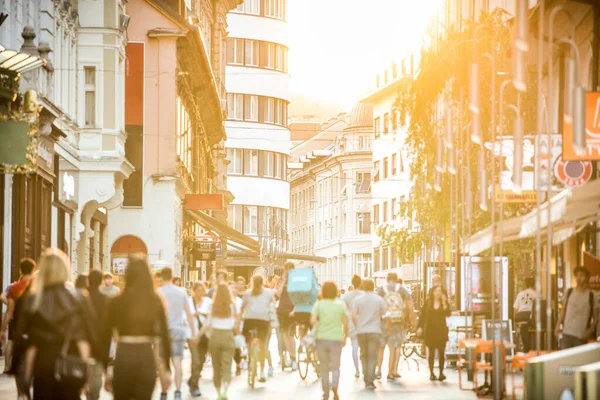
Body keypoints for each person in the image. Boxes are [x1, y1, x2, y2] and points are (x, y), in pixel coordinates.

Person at [15, 249, 98, 400]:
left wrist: (23, 377)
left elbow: (27, 343)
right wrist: (88, 375)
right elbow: (85, 340)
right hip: (71, 365)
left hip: (43, 366)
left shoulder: (33, 300)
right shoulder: (79, 298)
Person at [103, 255, 172, 400]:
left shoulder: (116, 302)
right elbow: (165, 335)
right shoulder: (155, 300)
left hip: (123, 356)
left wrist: (106, 369)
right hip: (145, 356)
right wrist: (166, 369)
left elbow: (104, 336)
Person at [158, 267, 197, 400]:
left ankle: (164, 393)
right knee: (177, 361)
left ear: (162, 277)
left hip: (163, 332)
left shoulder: (158, 292)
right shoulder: (181, 292)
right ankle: (178, 391)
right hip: (179, 330)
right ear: (171, 276)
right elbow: (188, 313)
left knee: (163, 363)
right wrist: (193, 331)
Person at [0, 258, 36, 396]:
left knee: (19, 357)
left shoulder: (14, 288)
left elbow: (9, 312)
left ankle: (21, 392)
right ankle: (31, 382)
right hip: (36, 328)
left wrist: (2, 329)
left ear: (20, 270)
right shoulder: (38, 286)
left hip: (19, 327)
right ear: (33, 270)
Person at [199, 283, 239, 400]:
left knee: (216, 366)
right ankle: (225, 391)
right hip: (228, 335)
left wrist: (198, 335)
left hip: (215, 336)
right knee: (227, 365)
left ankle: (218, 392)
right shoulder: (232, 305)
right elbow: (236, 323)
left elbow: (207, 323)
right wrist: (239, 334)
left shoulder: (212, 305)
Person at [311, 281, 348, 400]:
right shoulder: (340, 304)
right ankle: (335, 387)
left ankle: (325, 392)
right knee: (336, 365)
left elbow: (312, 321)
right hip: (336, 338)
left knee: (324, 366)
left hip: (321, 338)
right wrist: (345, 336)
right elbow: (345, 322)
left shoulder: (319, 305)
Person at [376, 272, 414, 380]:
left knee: (381, 347)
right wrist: (410, 320)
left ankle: (378, 370)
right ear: (396, 279)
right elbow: (409, 307)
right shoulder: (402, 290)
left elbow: (377, 306)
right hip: (397, 322)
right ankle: (391, 372)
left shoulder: (381, 290)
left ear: (387, 279)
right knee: (394, 347)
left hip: (383, 322)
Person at [352, 279, 386, 390]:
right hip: (375, 331)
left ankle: (365, 375)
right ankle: (370, 380)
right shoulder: (379, 299)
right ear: (373, 286)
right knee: (372, 356)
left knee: (364, 354)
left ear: (363, 286)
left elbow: (353, 316)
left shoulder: (358, 300)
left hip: (361, 331)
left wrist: (358, 325)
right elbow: (385, 314)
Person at [555, 266, 598, 349]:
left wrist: (589, 332)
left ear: (586, 278)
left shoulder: (591, 296)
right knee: (565, 360)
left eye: (581, 275)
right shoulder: (569, 292)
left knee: (579, 361)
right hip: (566, 334)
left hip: (581, 336)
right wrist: (557, 325)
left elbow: (596, 318)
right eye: (577, 276)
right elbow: (563, 311)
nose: (579, 278)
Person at [241, 275, 274, 383]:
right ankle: (262, 371)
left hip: (249, 320)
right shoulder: (268, 293)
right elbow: (272, 305)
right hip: (263, 321)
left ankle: (247, 353)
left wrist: (240, 318)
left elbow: (242, 307)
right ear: (262, 282)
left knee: (247, 338)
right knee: (262, 344)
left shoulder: (247, 293)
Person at [417, 285, 451, 381]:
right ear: (433, 292)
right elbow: (422, 315)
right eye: (436, 291)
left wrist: (445, 302)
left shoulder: (443, 303)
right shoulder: (428, 302)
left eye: (440, 291)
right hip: (430, 330)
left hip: (441, 330)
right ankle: (431, 373)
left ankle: (441, 372)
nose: (438, 293)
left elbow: (448, 314)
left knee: (441, 352)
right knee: (431, 352)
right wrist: (419, 327)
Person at [88, 270, 110, 400]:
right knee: (96, 373)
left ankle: (84, 390)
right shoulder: (105, 299)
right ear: (101, 281)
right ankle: (93, 396)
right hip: (99, 340)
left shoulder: (80, 296)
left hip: (82, 339)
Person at [187, 282, 211, 397]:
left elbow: (210, 317)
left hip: (205, 335)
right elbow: (185, 317)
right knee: (195, 360)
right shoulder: (188, 301)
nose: (200, 292)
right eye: (198, 289)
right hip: (191, 335)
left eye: (202, 289)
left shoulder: (208, 301)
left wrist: (201, 313)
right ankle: (194, 385)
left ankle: (192, 379)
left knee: (201, 361)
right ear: (194, 290)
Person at [276, 262, 299, 370]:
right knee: (284, 335)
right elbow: (278, 294)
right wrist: (284, 280)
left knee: (291, 335)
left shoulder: (296, 282)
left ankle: (294, 359)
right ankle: (290, 356)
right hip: (282, 311)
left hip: (292, 311)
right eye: (287, 269)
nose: (289, 271)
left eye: (291, 269)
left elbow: (299, 297)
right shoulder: (282, 281)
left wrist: (295, 310)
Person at [343, 274, 364, 378]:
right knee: (364, 347)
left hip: (351, 323)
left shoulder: (347, 296)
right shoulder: (364, 294)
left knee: (354, 347)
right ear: (360, 283)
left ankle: (357, 370)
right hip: (364, 322)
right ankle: (364, 368)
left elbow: (344, 311)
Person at [513, 277, 536, 352]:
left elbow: (515, 309)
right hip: (531, 317)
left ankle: (526, 348)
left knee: (524, 328)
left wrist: (515, 320)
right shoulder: (536, 294)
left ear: (525, 285)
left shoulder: (520, 294)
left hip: (521, 317)